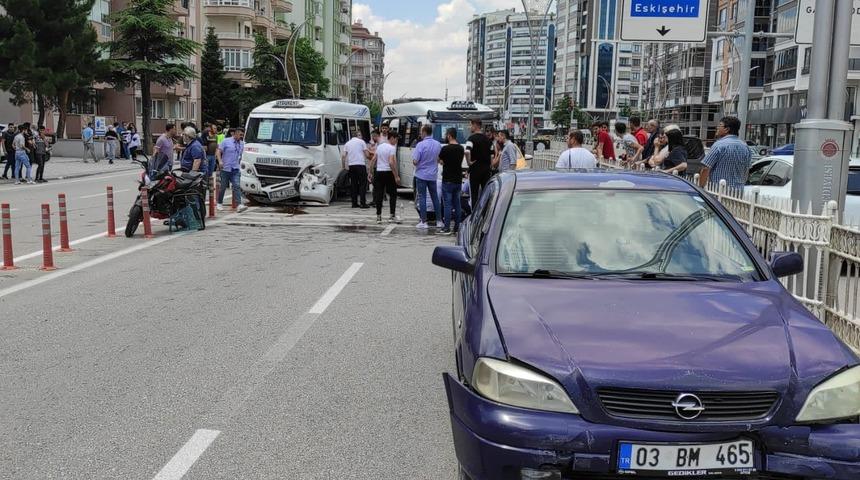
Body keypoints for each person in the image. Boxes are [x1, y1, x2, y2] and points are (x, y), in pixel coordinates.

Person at [698, 116, 752, 190]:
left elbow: (705, 168)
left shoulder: (719, 145)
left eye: (720, 125)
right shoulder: (745, 147)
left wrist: (700, 188)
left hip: (719, 191)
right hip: (738, 192)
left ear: (727, 129)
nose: (717, 128)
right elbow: (746, 171)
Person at [412, 124, 442, 229]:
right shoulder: (438, 144)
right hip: (433, 175)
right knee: (435, 198)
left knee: (422, 197)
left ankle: (424, 222)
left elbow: (415, 161)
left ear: (424, 132)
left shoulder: (420, 145)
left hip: (421, 175)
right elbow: (439, 159)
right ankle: (439, 221)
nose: (420, 133)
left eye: (421, 131)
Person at [369, 132, 401, 224]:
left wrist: (370, 172)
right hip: (388, 172)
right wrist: (396, 176)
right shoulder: (391, 148)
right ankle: (392, 215)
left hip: (379, 172)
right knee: (393, 194)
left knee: (379, 194)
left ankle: (378, 216)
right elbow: (391, 162)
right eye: (396, 139)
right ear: (392, 138)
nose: (396, 141)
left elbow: (373, 160)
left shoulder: (379, 147)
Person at [438, 127, 464, 235]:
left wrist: (443, 162)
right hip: (458, 179)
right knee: (457, 204)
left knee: (447, 204)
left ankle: (447, 227)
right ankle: (457, 227)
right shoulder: (461, 148)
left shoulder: (445, 149)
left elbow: (439, 160)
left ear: (449, 135)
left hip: (447, 179)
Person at [216, 127, 246, 212]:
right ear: (235, 133)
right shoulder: (226, 141)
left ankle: (239, 204)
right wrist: (220, 161)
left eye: (242, 135)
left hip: (235, 168)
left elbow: (241, 154)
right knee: (223, 187)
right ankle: (219, 202)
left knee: (236, 185)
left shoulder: (242, 144)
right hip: (225, 168)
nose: (241, 136)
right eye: (240, 134)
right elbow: (218, 151)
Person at [464, 119, 492, 210]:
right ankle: (485, 213)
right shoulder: (487, 139)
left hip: (475, 169)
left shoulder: (471, 138)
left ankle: (474, 216)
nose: (470, 127)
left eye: (470, 125)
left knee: (474, 194)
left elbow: (467, 151)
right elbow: (491, 154)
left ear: (475, 125)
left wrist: (469, 163)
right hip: (486, 170)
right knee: (486, 193)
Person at [342, 130, 370, 208]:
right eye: (360, 135)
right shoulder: (362, 142)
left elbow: (343, 156)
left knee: (353, 185)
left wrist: (343, 166)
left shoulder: (347, 143)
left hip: (352, 166)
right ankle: (362, 203)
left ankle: (354, 203)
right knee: (362, 184)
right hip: (360, 165)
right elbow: (367, 155)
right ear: (357, 135)